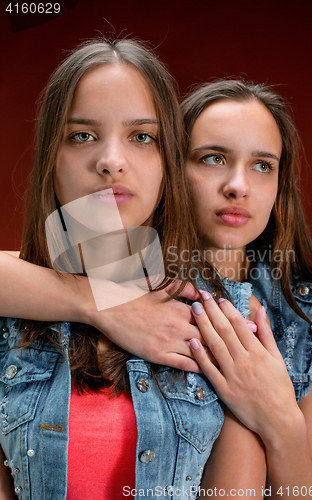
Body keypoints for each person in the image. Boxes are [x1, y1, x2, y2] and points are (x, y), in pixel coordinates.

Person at [0, 40, 265, 499]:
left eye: (142, 137)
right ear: (51, 159)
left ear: (169, 162)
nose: (111, 161)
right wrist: (101, 305)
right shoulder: (10, 317)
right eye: (82, 135)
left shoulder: (226, 318)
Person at [178, 80, 312, 497]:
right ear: (173, 168)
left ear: (279, 186)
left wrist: (280, 420)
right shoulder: (118, 277)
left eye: (262, 165)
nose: (238, 185)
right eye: (213, 158)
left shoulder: (310, 313)